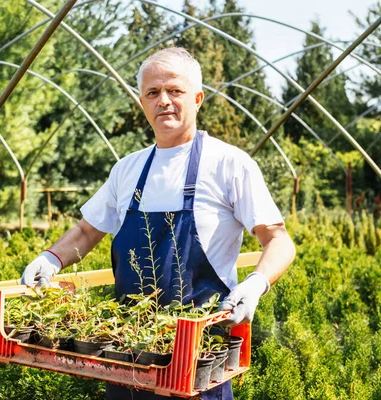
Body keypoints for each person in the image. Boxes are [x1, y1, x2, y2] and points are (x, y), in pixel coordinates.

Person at [20, 47, 295, 400]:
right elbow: (88, 230)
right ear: (142, 103)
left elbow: (278, 240)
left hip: (198, 362)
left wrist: (257, 283)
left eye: (175, 91)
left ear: (197, 99)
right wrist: (51, 258)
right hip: (127, 355)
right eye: (153, 93)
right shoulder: (127, 170)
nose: (163, 100)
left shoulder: (229, 164)